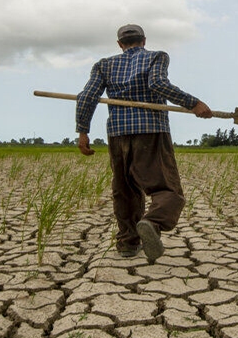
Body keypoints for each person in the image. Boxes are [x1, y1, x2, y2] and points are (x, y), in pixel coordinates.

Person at [76, 24, 212, 262]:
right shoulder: (156, 57)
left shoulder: (104, 65)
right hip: (151, 131)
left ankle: (128, 243)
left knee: (125, 190)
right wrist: (193, 103)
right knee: (167, 189)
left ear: (120, 44)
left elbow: (87, 96)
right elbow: (158, 84)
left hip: (118, 135)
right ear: (144, 40)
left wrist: (83, 132)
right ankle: (152, 222)